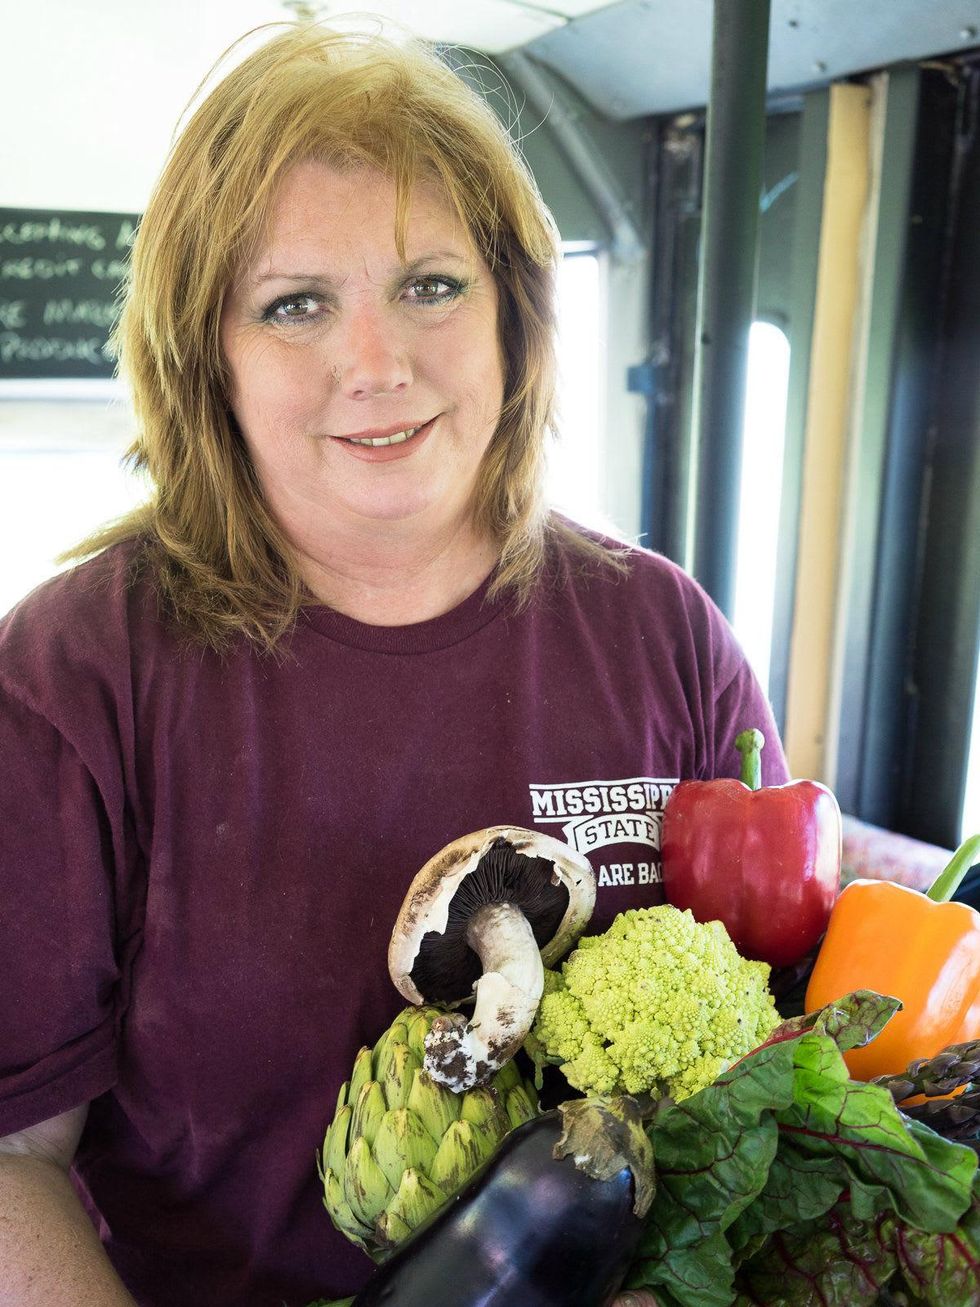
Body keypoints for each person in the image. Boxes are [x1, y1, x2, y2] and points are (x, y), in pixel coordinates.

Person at [0, 22, 788, 1307]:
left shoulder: (666, 634)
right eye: (294, 303)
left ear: (515, 317)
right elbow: (11, 1153)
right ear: (211, 358)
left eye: (431, 283)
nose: (377, 363)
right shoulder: (70, 675)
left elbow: (772, 1057)